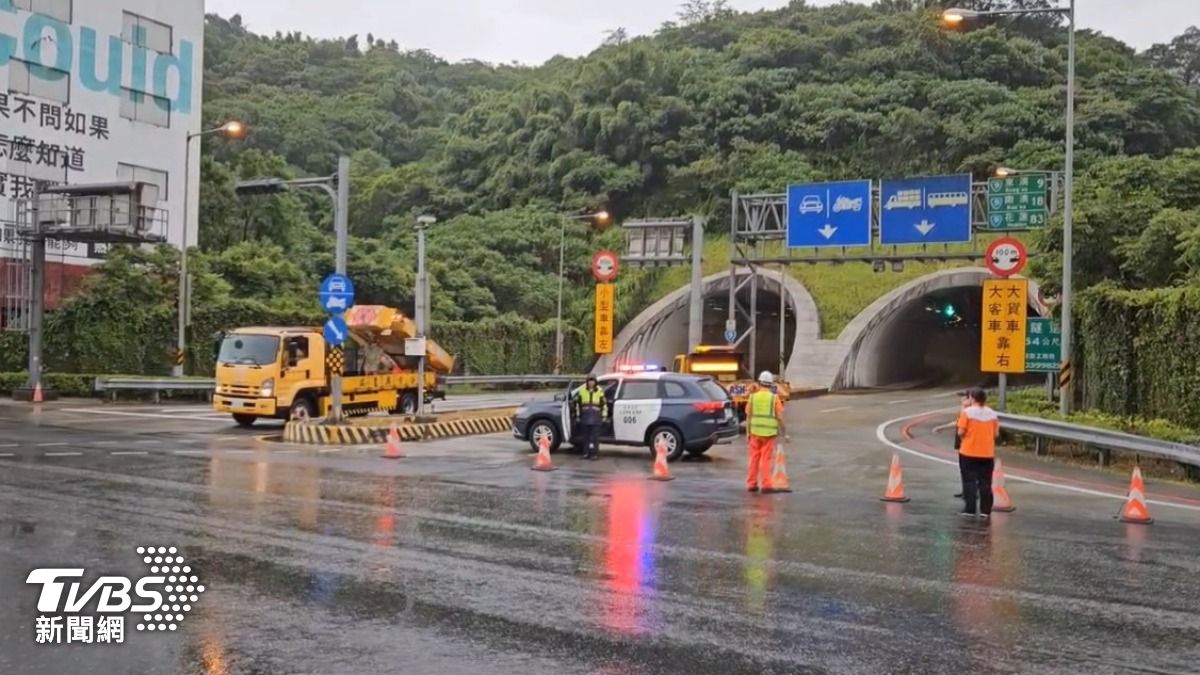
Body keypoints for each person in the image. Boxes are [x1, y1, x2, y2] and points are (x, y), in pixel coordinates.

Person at [956, 387, 1000, 519]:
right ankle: (985, 511)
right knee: (985, 482)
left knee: (969, 481)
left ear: (972, 398)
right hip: (987, 454)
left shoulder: (967, 413)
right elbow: (996, 434)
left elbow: (960, 432)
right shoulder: (992, 414)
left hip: (968, 452)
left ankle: (970, 509)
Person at [745, 371, 789, 493]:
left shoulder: (752, 397)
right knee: (766, 459)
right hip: (769, 434)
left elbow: (748, 416)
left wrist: (748, 433)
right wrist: (784, 433)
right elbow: (780, 417)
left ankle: (752, 484)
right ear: (770, 384)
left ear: (759, 382)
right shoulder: (774, 398)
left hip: (754, 433)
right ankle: (766, 485)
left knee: (753, 459)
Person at [574, 375, 607, 461]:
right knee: (586, 437)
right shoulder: (582, 391)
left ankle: (594, 454)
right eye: (589, 381)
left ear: (595, 382)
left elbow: (604, 404)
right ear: (587, 382)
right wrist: (578, 416)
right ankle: (586, 453)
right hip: (585, 417)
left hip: (596, 417)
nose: (591, 383)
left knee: (594, 438)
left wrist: (604, 416)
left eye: (593, 381)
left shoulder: (599, 391)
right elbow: (578, 405)